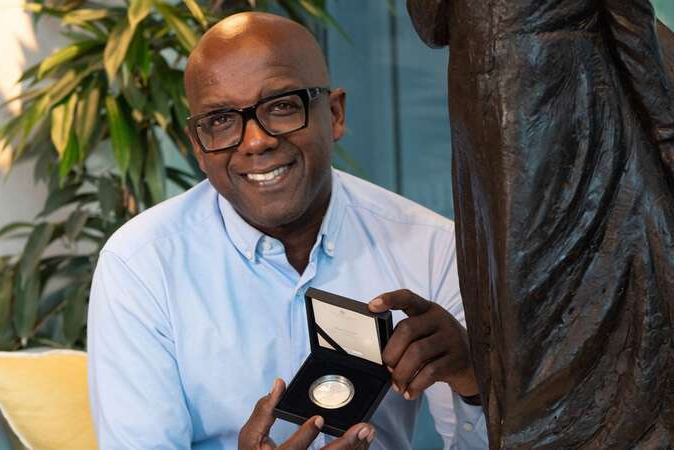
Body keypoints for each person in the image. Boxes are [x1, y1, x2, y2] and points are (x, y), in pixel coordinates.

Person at [87, 11, 488, 450]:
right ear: (198, 148)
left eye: (281, 106)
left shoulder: (431, 247)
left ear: (334, 114)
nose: (255, 140)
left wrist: (472, 382)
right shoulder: (141, 265)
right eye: (221, 120)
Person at [406, 0, 674, 448]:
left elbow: (631, 24)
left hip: (574, 120)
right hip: (488, 126)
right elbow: (432, 26)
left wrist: (666, 134)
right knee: (513, 321)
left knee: (583, 305)